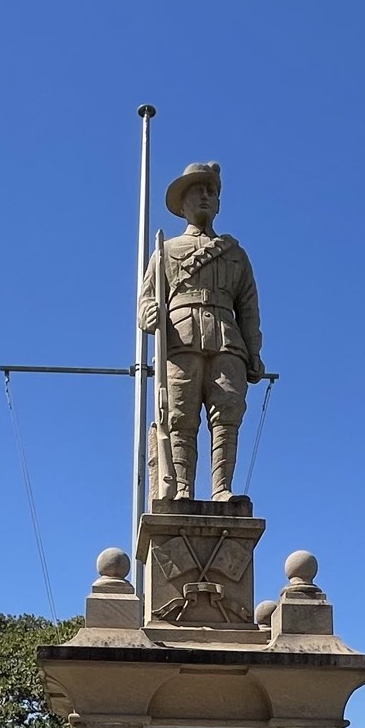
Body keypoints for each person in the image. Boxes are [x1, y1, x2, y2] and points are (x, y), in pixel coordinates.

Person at [138, 161, 264, 503]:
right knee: (180, 416)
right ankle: (181, 489)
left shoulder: (236, 254)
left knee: (228, 414)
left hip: (227, 339)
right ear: (183, 203)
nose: (206, 196)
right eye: (198, 191)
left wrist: (254, 352)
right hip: (181, 339)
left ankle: (222, 488)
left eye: (212, 191)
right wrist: (149, 313)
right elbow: (147, 299)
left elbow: (248, 307)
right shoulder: (165, 251)